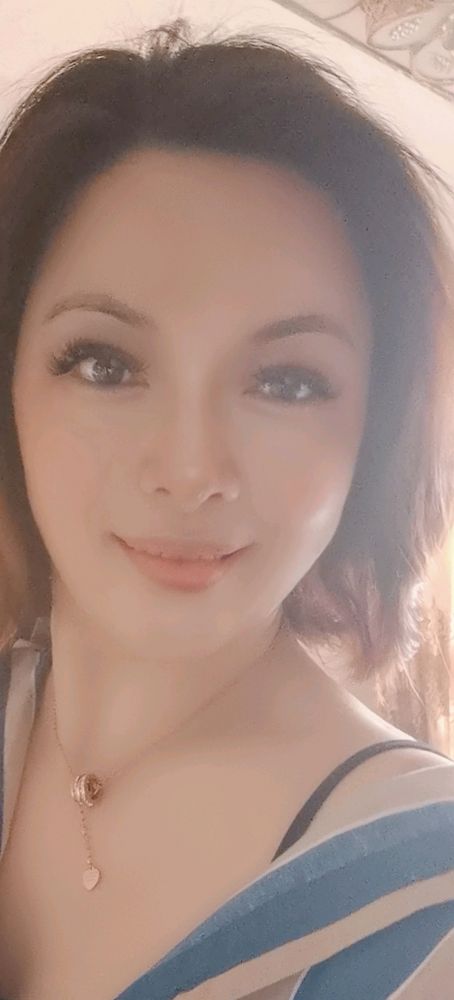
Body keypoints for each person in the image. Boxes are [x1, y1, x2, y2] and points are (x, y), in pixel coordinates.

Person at [0, 14, 453, 1000]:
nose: (190, 469)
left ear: (373, 433)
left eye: (287, 381)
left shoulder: (428, 912)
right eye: (105, 364)